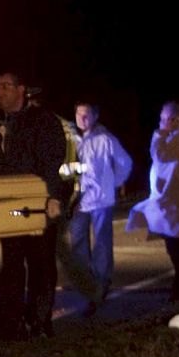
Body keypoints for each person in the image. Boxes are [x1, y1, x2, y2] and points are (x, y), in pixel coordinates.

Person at [0, 71, 66, 340]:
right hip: (9, 209)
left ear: (21, 89)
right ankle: (10, 323)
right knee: (11, 264)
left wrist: (53, 197)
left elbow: (51, 162)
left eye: (5, 86)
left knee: (41, 263)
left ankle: (39, 322)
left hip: (38, 206)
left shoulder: (42, 121)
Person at [127, 101, 179, 308]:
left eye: (165, 119)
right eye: (161, 119)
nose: (162, 123)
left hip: (178, 201)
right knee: (178, 248)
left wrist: (159, 134)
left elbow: (160, 155)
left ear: (177, 118)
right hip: (176, 201)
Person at [68, 102, 133, 306]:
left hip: (101, 201)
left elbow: (125, 163)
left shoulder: (105, 139)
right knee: (78, 242)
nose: (82, 119)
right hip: (78, 201)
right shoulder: (71, 140)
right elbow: (63, 170)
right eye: (79, 114)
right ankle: (84, 280)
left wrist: (113, 183)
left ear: (95, 117)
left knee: (102, 243)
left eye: (86, 115)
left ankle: (101, 282)